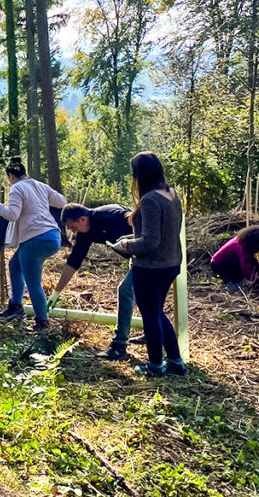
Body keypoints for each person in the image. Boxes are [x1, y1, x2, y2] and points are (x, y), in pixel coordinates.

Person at [111, 151, 187, 377]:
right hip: (171, 263)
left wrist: (126, 246)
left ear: (140, 175)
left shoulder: (150, 200)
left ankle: (155, 366)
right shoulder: (171, 193)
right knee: (157, 313)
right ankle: (175, 361)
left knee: (150, 316)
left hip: (152, 267)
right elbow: (161, 234)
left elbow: (151, 241)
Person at [0, 157, 66, 331]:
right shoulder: (40, 185)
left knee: (33, 282)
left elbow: (12, 214)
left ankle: (42, 322)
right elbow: (62, 201)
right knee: (15, 265)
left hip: (36, 238)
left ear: (11, 175)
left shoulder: (17, 188)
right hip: (53, 236)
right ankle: (16, 306)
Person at [50, 203, 135, 360]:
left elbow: (141, 228)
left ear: (82, 219)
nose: (73, 232)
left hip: (148, 254)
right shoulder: (85, 232)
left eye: (73, 227)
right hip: (134, 256)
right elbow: (74, 262)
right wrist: (56, 293)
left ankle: (119, 346)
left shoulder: (112, 216)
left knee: (126, 291)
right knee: (142, 296)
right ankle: (153, 335)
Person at [210, 226, 259, 293]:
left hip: (228, 261)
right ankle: (233, 287)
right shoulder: (241, 248)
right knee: (237, 275)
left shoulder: (244, 242)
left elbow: (251, 258)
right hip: (219, 265)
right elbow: (247, 271)